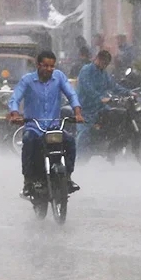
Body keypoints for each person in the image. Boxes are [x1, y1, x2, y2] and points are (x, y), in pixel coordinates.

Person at [8, 50, 84, 195]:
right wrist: (15, 114)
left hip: (53, 127)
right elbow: (15, 99)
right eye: (46, 66)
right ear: (38, 65)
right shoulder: (27, 80)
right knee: (28, 141)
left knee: (70, 141)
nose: (49, 69)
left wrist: (78, 113)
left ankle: (67, 177)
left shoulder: (59, 77)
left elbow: (71, 94)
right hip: (33, 127)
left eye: (52, 66)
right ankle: (28, 180)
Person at [75, 50, 131, 159]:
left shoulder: (103, 73)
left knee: (117, 119)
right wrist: (100, 98)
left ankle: (110, 151)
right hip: (85, 109)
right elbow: (88, 88)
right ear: (98, 59)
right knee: (84, 133)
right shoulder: (86, 71)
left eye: (107, 64)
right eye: (104, 63)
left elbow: (113, 86)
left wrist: (128, 92)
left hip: (100, 108)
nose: (105, 66)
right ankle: (79, 159)